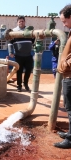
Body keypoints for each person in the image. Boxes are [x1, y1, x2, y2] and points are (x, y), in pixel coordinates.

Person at [54, 4, 71, 149]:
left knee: (70, 108)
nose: (63, 24)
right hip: (68, 74)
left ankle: (70, 140)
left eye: (64, 21)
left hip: (70, 75)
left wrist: (65, 64)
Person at [8, 16, 34, 92]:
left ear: (25, 22)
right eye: (20, 21)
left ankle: (25, 83)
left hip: (28, 55)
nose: (21, 23)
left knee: (29, 70)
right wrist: (10, 52)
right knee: (19, 71)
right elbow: (10, 43)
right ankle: (19, 85)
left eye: (22, 21)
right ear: (17, 22)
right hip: (19, 55)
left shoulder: (29, 31)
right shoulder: (14, 31)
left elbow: (33, 41)